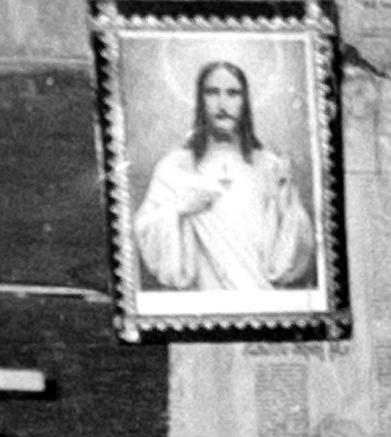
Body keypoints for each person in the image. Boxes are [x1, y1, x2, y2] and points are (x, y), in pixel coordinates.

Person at [131, 59, 317, 295]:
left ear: (244, 101)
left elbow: (293, 248)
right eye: (212, 93)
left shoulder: (269, 166)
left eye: (232, 93)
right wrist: (180, 209)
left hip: (258, 296)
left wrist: (285, 200)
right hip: (201, 302)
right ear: (201, 100)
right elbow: (146, 228)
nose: (222, 104)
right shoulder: (175, 167)